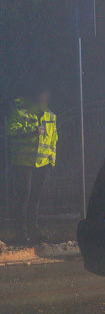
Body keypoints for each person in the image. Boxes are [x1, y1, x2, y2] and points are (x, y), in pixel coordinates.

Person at [6, 85, 58, 244]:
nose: (43, 98)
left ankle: (33, 232)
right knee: (23, 196)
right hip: (23, 163)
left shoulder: (50, 115)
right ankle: (21, 234)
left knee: (35, 197)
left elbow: (53, 138)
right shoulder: (19, 112)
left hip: (42, 164)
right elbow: (11, 131)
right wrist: (33, 130)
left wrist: (51, 160)